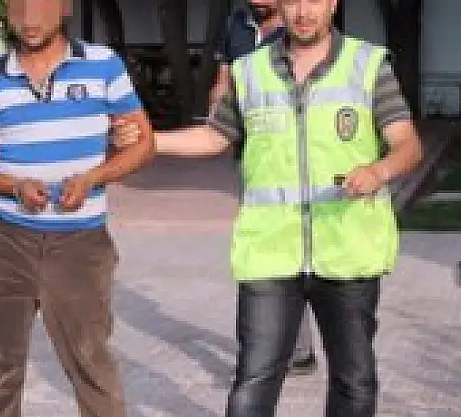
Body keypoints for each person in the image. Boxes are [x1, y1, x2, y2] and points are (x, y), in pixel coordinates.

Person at [154, 0, 422, 415]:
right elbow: (214, 137)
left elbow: (407, 144)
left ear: (332, 3)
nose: (303, 12)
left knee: (354, 382)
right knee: (253, 383)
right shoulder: (249, 72)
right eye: (293, 1)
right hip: (271, 254)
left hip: (347, 251)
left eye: (313, 0)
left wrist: (378, 170)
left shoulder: (368, 65)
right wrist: (150, 142)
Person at [0, 0, 154, 416]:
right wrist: (14, 185)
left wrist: (93, 178)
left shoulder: (103, 65)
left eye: (40, 5)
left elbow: (143, 144)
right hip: (7, 240)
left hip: (81, 241)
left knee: (90, 362)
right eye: (18, 6)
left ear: (64, 7)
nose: (29, 19)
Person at [213, 0, 318, 376]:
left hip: (295, 160)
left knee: (294, 254)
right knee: (262, 253)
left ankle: (295, 349)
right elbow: (224, 79)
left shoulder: (299, 28)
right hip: (253, 157)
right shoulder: (236, 24)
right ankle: (273, 347)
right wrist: (218, 110)